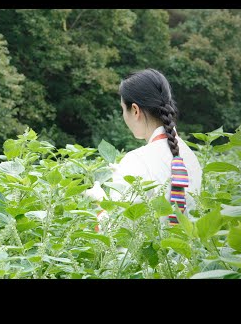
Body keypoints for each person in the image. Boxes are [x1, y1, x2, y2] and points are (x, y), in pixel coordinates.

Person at [84, 68, 203, 227]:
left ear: (135, 110)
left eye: (122, 109)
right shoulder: (190, 156)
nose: (123, 116)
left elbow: (115, 229)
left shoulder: (136, 160)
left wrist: (100, 201)